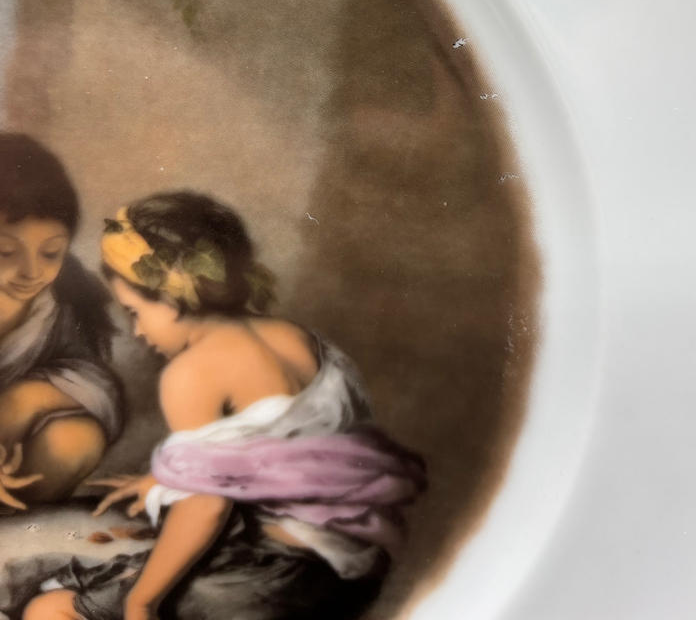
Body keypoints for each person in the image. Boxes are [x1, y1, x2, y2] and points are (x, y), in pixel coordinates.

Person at [24, 191, 426, 620]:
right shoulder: (297, 338)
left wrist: (143, 603)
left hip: (278, 579)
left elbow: (207, 506)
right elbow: (286, 453)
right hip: (358, 567)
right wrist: (166, 478)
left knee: (51, 609)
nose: (137, 332)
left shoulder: (192, 372)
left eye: (134, 312)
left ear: (172, 296)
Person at [0, 133, 122, 509]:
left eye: (51, 252)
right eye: (5, 251)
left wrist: (26, 398)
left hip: (9, 457)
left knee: (75, 439)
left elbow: (96, 381)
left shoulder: (61, 304)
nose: (31, 272)